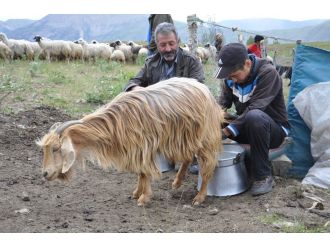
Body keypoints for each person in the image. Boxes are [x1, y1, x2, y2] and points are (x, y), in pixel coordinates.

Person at [215, 43, 290, 196]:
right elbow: (222, 105)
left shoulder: (267, 73)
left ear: (247, 64)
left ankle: (263, 176)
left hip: (272, 130)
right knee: (214, 117)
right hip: (247, 126)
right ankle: (208, 161)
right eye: (229, 76)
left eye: (234, 75)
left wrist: (227, 131)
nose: (232, 80)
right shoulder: (230, 79)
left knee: (254, 116)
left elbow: (256, 107)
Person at [124, 22, 204, 92]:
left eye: (171, 43)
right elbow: (132, 83)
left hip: (184, 107)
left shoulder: (191, 61)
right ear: (157, 45)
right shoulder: (151, 63)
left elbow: (198, 89)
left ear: (177, 42)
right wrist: (138, 90)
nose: (168, 49)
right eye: (162, 45)